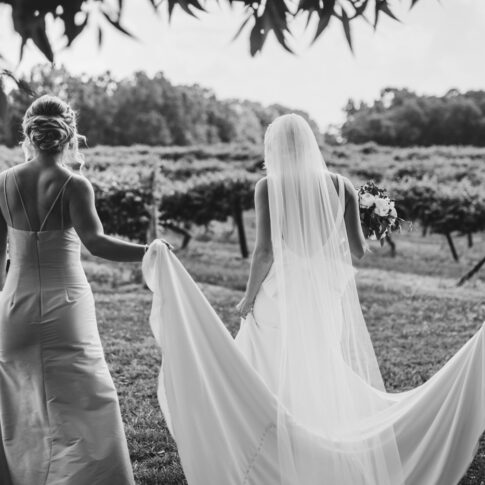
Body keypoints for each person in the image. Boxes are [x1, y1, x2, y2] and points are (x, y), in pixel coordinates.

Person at [144, 113, 485, 485]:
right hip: (323, 293)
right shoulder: (342, 187)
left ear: (275, 147)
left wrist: (248, 298)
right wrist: (369, 224)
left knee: (270, 370)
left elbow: (264, 253)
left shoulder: (267, 187)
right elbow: (358, 251)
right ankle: (323, 445)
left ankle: (276, 453)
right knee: (320, 365)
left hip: (281, 293)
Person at [0, 95, 157, 484]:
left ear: (29, 134)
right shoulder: (75, 185)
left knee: (21, 402)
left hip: (14, 306)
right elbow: (98, 243)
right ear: (68, 135)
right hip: (65, 308)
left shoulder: (3, 182)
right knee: (85, 401)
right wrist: (151, 251)